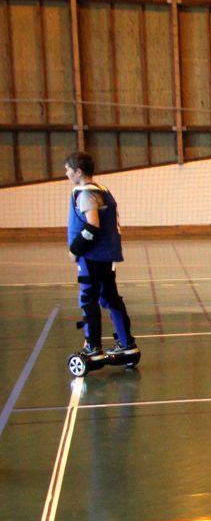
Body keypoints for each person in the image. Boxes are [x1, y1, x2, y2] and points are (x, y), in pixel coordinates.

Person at [65, 151, 139, 369]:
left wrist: (75, 249)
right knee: (109, 297)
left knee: (88, 299)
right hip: (106, 255)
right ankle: (127, 344)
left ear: (78, 172)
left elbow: (92, 226)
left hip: (92, 256)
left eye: (68, 170)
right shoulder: (102, 190)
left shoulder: (86, 194)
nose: (66, 174)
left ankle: (93, 348)